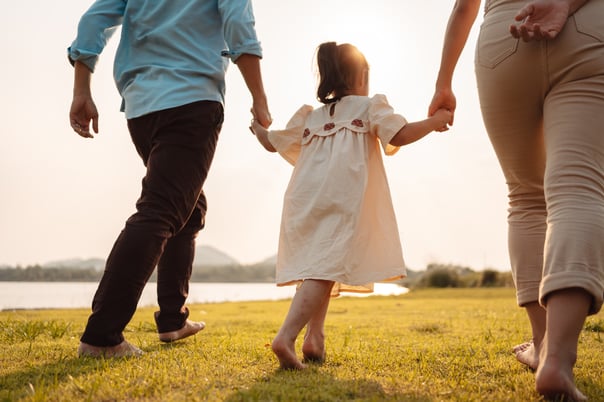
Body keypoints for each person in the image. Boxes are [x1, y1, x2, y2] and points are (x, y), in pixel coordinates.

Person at [68, 0, 271, 358]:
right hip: (192, 99)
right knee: (161, 210)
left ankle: (173, 320)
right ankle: (102, 337)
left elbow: (94, 20)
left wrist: (81, 90)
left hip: (141, 106)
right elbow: (239, 24)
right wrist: (259, 97)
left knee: (190, 208)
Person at [429, 0, 603, 399]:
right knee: (578, 187)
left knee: (525, 196)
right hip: (588, 27)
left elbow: (462, 8)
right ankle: (557, 360)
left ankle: (541, 347)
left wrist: (443, 82)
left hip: (504, 34)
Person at [251, 42, 452, 370]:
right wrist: (434, 122)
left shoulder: (310, 116)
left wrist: (259, 128)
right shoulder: (370, 107)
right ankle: (285, 337)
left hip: (305, 199)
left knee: (320, 265)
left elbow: (272, 142)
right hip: (344, 198)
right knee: (325, 266)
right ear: (361, 75)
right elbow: (398, 134)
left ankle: (314, 339)